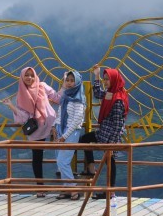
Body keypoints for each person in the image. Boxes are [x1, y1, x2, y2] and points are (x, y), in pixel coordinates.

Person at [2, 67, 62, 198]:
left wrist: (65, 85)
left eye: (31, 75)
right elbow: (24, 118)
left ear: (35, 76)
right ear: (22, 78)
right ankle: (40, 187)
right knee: (37, 158)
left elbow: (57, 97)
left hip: (51, 126)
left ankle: (67, 187)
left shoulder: (43, 86)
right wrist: (11, 106)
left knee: (62, 154)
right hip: (35, 130)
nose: (29, 78)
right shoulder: (21, 94)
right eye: (26, 76)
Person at [78, 65, 129, 199]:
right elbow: (97, 93)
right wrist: (96, 76)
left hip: (110, 137)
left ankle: (109, 190)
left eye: (107, 79)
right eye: (104, 79)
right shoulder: (111, 93)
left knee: (109, 162)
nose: (105, 82)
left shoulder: (117, 100)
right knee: (85, 141)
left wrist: (112, 145)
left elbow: (118, 124)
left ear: (114, 80)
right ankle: (93, 170)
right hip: (103, 133)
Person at [53, 71, 86, 200]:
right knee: (59, 161)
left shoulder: (79, 98)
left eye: (72, 80)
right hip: (60, 130)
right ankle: (66, 188)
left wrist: (64, 136)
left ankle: (73, 189)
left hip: (71, 132)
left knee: (63, 161)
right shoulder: (65, 96)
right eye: (67, 80)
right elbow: (60, 113)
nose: (69, 83)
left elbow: (77, 119)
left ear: (77, 82)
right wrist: (54, 127)